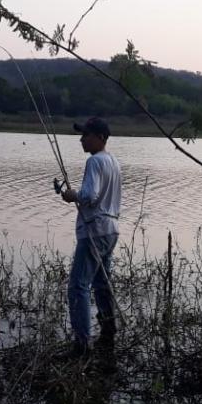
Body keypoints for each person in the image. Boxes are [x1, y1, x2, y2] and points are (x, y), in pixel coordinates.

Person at [60, 117, 121, 358]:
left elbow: (90, 195)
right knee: (101, 283)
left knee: (78, 286)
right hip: (111, 229)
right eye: (82, 134)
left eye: (86, 135)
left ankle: (82, 345)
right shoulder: (113, 161)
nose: (81, 139)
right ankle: (108, 328)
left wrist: (72, 195)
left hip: (94, 231)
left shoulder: (95, 161)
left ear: (100, 138)